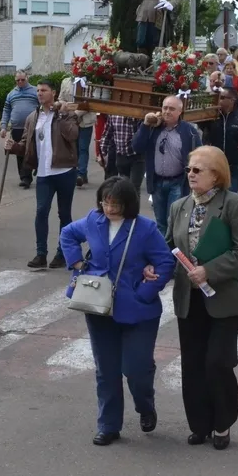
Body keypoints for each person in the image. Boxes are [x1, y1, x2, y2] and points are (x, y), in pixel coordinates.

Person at [59, 177, 175, 447]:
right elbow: (68, 234)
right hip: (98, 307)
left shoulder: (144, 228)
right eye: (105, 203)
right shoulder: (92, 220)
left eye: (115, 204)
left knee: (136, 369)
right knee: (106, 370)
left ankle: (145, 406)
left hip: (138, 311)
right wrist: (77, 264)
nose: (109, 209)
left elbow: (165, 261)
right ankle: (108, 425)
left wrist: (144, 292)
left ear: (128, 203)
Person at [165, 146, 238, 450]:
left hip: (226, 297)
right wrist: (151, 268)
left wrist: (209, 271)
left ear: (216, 175)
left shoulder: (235, 205)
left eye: (197, 170)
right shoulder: (179, 206)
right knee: (192, 364)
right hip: (189, 299)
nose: (190, 174)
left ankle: (222, 423)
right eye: (189, 169)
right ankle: (200, 425)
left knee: (217, 361)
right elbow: (169, 247)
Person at [6, 79, 79, 269]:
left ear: (53, 93)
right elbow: (25, 144)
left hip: (65, 170)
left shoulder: (67, 113)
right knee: (41, 212)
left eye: (44, 90)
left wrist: (62, 115)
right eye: (38, 90)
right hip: (44, 173)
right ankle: (41, 253)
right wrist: (13, 147)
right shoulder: (32, 117)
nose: (39, 93)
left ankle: (62, 253)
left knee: (64, 213)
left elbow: (72, 135)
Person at [133, 95, 202, 233]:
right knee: (161, 222)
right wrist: (146, 125)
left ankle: (173, 251)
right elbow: (137, 147)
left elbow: (199, 156)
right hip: (157, 181)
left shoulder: (189, 131)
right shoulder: (152, 128)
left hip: (177, 182)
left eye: (171, 109)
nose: (167, 112)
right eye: (165, 108)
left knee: (174, 221)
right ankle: (163, 252)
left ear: (179, 112)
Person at [198, 87, 238, 192]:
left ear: (232, 100)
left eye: (222, 97)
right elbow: (196, 119)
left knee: (229, 196)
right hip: (213, 165)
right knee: (213, 197)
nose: (219, 99)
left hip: (233, 167)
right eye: (218, 97)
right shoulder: (211, 117)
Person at [0, 70, 39, 188]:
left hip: (33, 127)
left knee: (32, 151)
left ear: (27, 78)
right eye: (18, 80)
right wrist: (3, 127)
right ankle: (25, 177)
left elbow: (42, 107)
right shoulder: (11, 94)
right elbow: (6, 111)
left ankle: (35, 168)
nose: (20, 82)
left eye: (23, 79)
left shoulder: (35, 91)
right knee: (19, 152)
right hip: (17, 128)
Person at [59, 75, 98, 188]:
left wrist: (77, 114)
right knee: (72, 147)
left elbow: (91, 102)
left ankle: (81, 174)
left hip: (85, 121)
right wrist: (67, 109)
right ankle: (74, 172)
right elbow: (61, 99)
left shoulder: (90, 83)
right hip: (70, 120)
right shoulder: (65, 81)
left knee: (83, 148)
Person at [100, 115, 145, 194]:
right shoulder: (113, 115)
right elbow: (107, 134)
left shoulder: (138, 114)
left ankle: (133, 206)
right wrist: (103, 154)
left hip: (138, 156)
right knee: (124, 188)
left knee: (134, 188)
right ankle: (126, 206)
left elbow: (144, 134)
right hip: (121, 155)